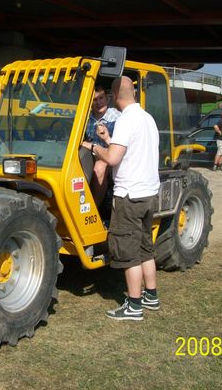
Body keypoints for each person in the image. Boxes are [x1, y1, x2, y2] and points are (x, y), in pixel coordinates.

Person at [82, 76, 160, 321]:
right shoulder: (147, 118)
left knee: (128, 252)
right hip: (148, 194)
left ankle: (134, 306)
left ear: (115, 94)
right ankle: (151, 296)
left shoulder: (126, 119)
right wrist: (107, 140)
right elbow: (129, 150)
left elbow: (113, 158)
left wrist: (93, 146)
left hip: (129, 196)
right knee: (145, 248)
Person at [85, 84, 121, 206]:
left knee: (99, 168)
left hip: (108, 155)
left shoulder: (117, 118)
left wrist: (106, 138)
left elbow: (118, 147)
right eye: (95, 99)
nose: (98, 102)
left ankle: (95, 209)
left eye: (101, 98)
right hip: (89, 155)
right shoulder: (85, 117)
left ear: (107, 98)